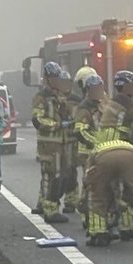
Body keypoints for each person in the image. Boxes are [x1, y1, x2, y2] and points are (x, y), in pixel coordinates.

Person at [85, 70, 133, 246]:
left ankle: (100, 232)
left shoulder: (112, 104)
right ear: (126, 86)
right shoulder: (128, 104)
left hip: (101, 152)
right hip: (124, 150)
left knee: (101, 192)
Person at [30, 61, 69, 223]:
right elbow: (37, 120)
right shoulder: (41, 97)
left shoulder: (59, 95)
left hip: (61, 143)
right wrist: (58, 125)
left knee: (61, 175)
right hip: (48, 144)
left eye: (57, 77)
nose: (55, 80)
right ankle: (50, 210)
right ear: (46, 78)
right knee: (51, 175)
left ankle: (42, 203)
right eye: (52, 77)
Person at [73, 72, 105, 216]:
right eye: (96, 89)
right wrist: (96, 143)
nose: (99, 92)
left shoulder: (102, 105)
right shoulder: (84, 108)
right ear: (89, 91)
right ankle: (85, 210)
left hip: (102, 150)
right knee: (91, 182)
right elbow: (80, 131)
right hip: (88, 152)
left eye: (100, 88)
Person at [58, 69, 81, 213]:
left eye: (67, 83)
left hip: (72, 141)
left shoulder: (77, 100)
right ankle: (47, 201)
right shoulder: (53, 99)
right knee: (54, 171)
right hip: (56, 140)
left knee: (71, 170)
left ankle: (71, 201)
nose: (65, 86)